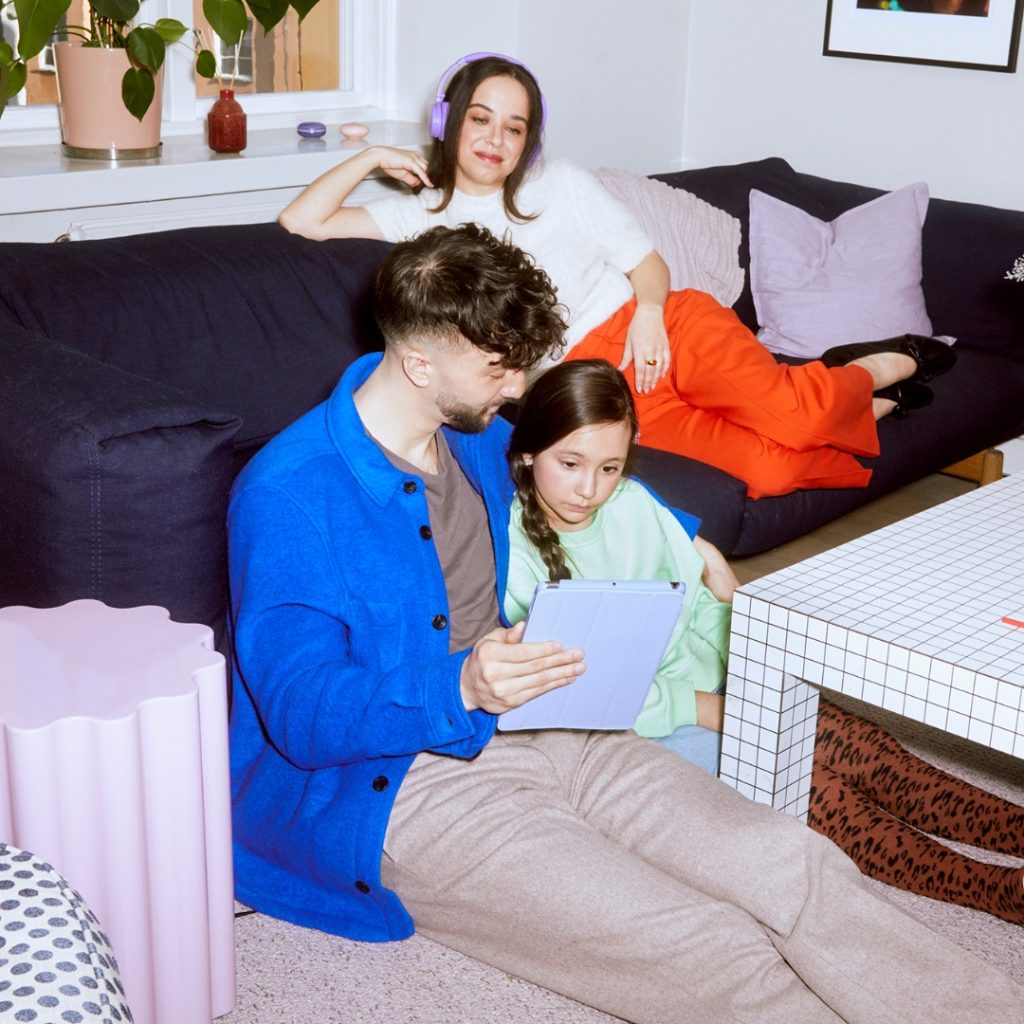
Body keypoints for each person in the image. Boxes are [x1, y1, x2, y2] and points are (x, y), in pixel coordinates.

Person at [228, 222, 1024, 1024]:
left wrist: (691, 536)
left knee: (792, 864)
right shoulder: (289, 493)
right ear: (420, 363)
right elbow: (300, 710)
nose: (518, 386)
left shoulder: (473, 438)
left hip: (558, 722)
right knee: (701, 947)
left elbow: (586, 478)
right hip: (403, 781)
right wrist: (460, 682)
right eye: (500, 367)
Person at [277, 51, 957, 500]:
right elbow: (303, 221)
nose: (494, 139)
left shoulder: (563, 185)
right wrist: (372, 158)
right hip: (595, 393)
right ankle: (871, 404)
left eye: (513, 128)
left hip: (659, 328)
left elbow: (647, 264)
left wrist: (651, 314)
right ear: (447, 121)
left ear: (528, 141)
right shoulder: (423, 216)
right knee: (771, 470)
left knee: (792, 414)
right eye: (480, 119)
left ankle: (881, 364)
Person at [503, 357, 1024, 926]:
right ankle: (998, 891)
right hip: (642, 727)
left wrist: (751, 662)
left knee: (864, 745)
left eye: (609, 467)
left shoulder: (633, 502)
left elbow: (697, 604)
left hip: (712, 680)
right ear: (528, 452)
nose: (589, 489)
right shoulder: (516, 553)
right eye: (570, 464)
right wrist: (706, 708)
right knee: (811, 791)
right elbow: (578, 690)